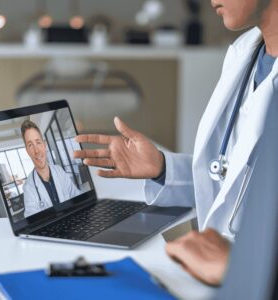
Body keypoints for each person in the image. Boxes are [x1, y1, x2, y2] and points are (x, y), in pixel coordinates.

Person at [74, 0, 278, 285]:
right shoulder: (246, 53)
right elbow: (234, 182)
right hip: (209, 272)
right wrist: (162, 168)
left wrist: (248, 268)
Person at [21, 120, 82, 218]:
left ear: (45, 145)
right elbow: (32, 221)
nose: (36, 151)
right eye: (30, 145)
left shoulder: (59, 171)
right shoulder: (29, 188)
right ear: (27, 151)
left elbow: (77, 197)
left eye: (38, 142)